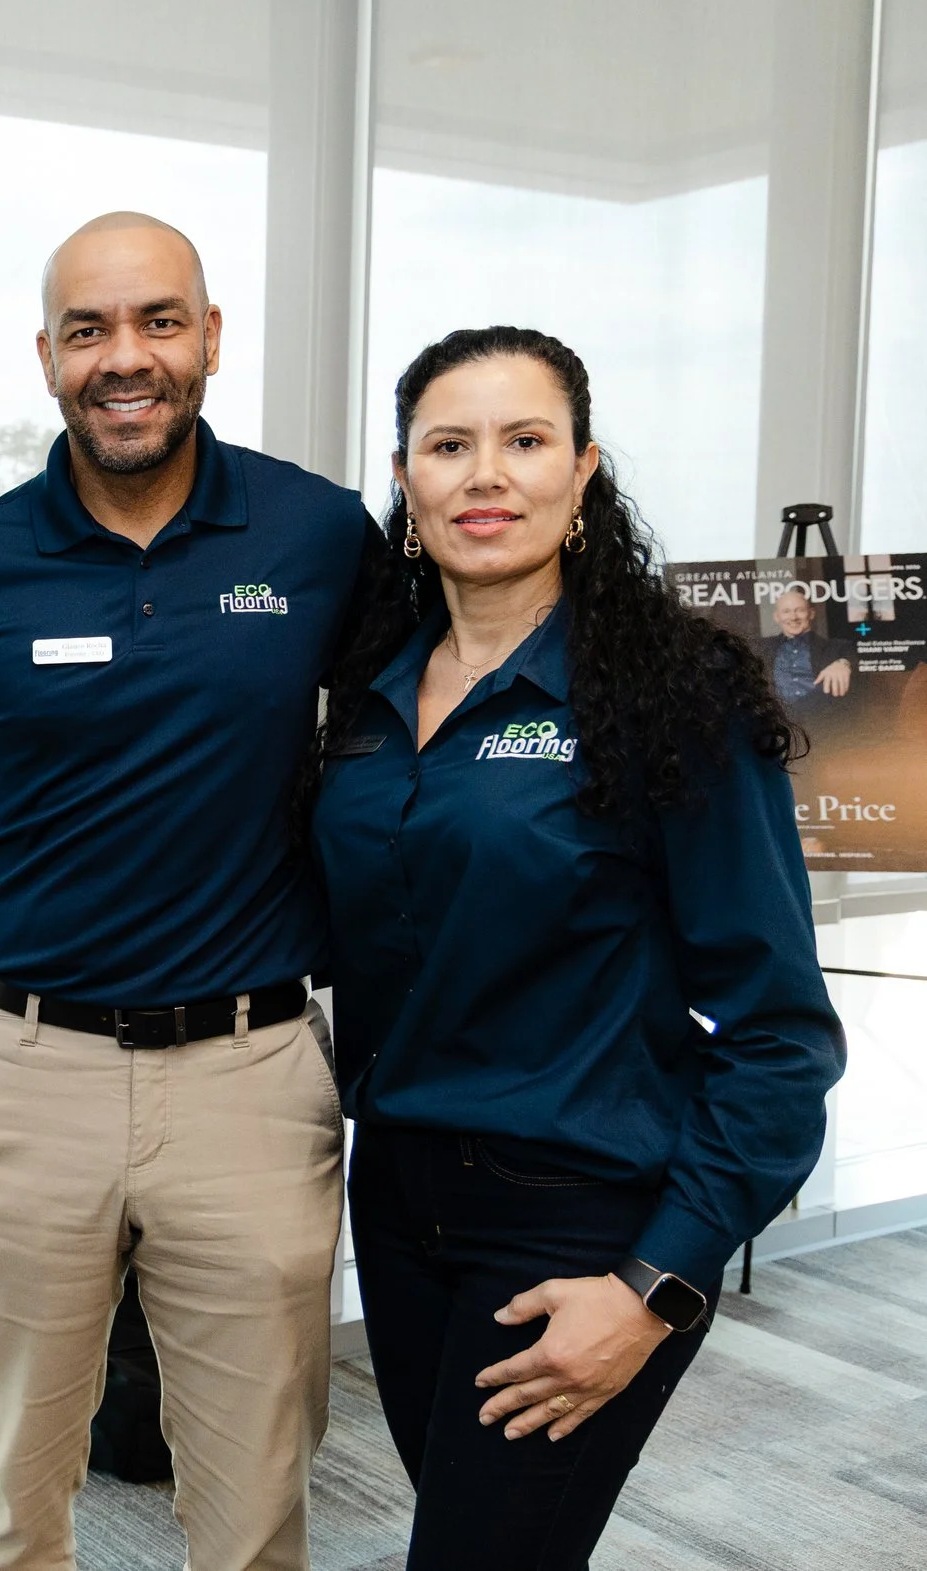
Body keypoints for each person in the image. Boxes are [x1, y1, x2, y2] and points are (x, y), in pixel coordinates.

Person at [307, 326, 846, 1569]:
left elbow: (778, 1034)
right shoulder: (367, 687)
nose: (484, 474)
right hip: (393, 1203)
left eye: (524, 440)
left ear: (582, 470)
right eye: (449, 444)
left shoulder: (672, 695)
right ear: (404, 479)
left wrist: (656, 1283)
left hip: (580, 1224)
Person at [0, 212, 380, 1571]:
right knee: (10, 1502)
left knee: (256, 1506)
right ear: (46, 356)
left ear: (210, 338)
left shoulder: (321, 536)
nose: (128, 357)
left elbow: (435, 726)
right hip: (25, 1068)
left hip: (254, 1070)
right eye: (91, 329)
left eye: (159, 320)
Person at [756, 588, 854, 713]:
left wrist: (843, 663)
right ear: (776, 617)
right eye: (786, 611)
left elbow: (854, 657)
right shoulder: (760, 646)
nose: (793, 617)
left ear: (811, 614)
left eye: (800, 610)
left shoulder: (837, 647)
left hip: (821, 720)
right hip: (773, 719)